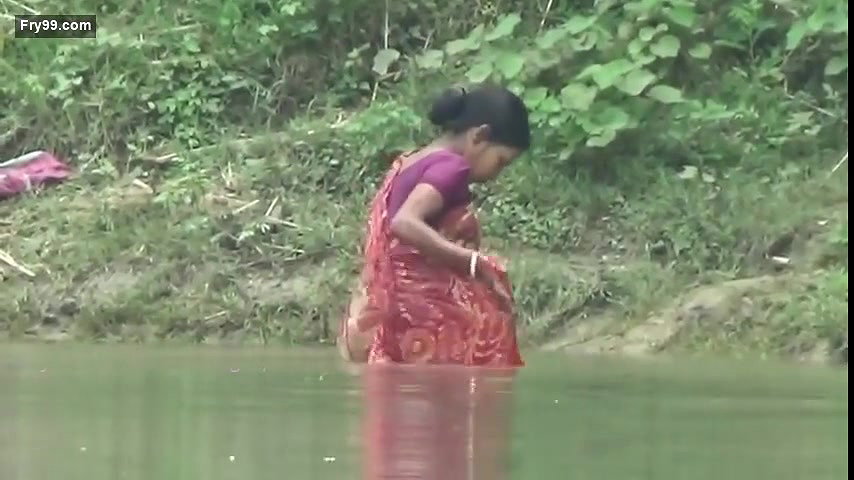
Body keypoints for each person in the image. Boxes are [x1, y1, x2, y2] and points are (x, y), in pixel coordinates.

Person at [337, 83, 531, 367]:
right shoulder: (451, 167)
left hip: (376, 314)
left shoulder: (409, 161)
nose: (496, 174)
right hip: (415, 321)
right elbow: (405, 222)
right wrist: (473, 262)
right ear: (480, 136)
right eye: (500, 161)